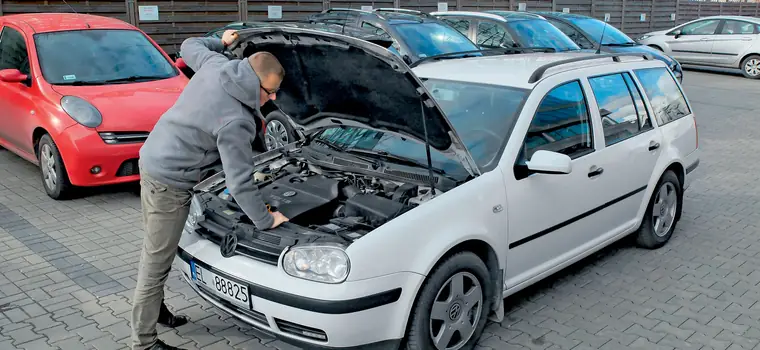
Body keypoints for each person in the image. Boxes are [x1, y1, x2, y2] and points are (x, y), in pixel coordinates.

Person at [130, 30, 289, 350]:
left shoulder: (217, 64)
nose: (272, 99)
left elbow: (189, 44)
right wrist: (267, 219)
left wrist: (223, 41)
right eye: (270, 92)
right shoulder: (236, 121)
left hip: (151, 157)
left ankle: (154, 312)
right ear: (256, 83)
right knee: (156, 260)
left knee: (155, 248)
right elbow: (239, 183)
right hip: (170, 182)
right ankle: (143, 342)